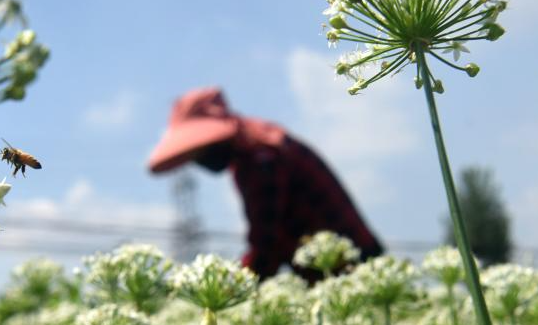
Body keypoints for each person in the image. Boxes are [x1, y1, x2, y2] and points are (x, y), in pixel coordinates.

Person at [147, 87, 383, 278]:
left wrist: (237, 284)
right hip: (335, 264)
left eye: (199, 151)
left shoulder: (260, 157)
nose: (198, 160)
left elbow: (266, 242)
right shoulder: (257, 142)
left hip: (350, 267)